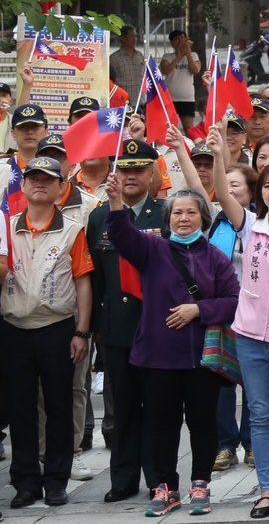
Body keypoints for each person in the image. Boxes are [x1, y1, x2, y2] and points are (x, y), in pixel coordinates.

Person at [189, 130, 269, 521]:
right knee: (260, 414)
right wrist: (217, 157)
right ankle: (265, 490)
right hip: (248, 336)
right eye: (268, 185)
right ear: (259, 191)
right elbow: (222, 193)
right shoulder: (250, 224)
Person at [105, 168, 240, 518]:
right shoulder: (152, 249)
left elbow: (234, 300)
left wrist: (199, 309)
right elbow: (121, 235)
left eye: (191, 212)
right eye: (177, 213)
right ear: (168, 219)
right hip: (157, 357)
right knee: (160, 425)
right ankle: (165, 487)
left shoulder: (216, 259)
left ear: (203, 218)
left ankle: (200, 483)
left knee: (203, 424)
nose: (183, 218)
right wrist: (116, 202)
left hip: (201, 360)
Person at [2, 154, 94, 509]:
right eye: (33, 178)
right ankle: (26, 481)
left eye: (47, 179)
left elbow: (83, 281)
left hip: (56, 329)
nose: (39, 184)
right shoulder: (6, 226)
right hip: (12, 328)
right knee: (20, 409)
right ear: (23, 185)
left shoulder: (72, 229)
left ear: (60, 188)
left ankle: (56, 480)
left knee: (58, 406)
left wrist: (82, 332)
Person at [87, 138, 169, 503]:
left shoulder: (166, 213)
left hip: (155, 325)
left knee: (155, 406)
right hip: (117, 326)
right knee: (121, 407)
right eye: (125, 169)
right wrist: (95, 329)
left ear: (152, 173)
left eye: (138, 169)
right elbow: (97, 278)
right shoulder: (99, 216)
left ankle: (157, 477)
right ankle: (122, 479)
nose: (131, 176)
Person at [159, 31, 202, 129]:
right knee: (169, 129)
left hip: (187, 99)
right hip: (169, 98)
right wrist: (179, 56)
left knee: (189, 130)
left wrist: (188, 54)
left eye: (183, 38)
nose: (180, 41)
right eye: (177, 39)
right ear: (172, 42)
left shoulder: (194, 55)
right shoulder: (167, 56)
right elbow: (166, 71)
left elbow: (195, 70)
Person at [110, 26, 147, 104]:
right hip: (123, 102)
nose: (135, 39)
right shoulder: (114, 58)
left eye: (135, 36)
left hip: (140, 102)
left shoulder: (140, 55)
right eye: (131, 36)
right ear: (123, 39)